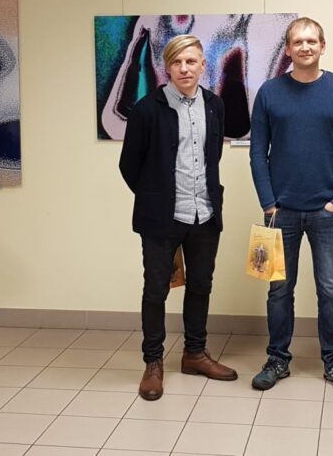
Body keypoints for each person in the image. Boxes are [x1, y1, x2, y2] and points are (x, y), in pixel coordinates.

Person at [119, 34, 238, 401]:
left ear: (203, 65)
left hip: (205, 214)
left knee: (201, 284)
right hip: (162, 218)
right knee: (156, 289)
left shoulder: (215, 105)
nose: (185, 68)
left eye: (191, 62)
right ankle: (153, 362)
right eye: (177, 62)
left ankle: (194, 354)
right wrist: (155, 197)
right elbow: (129, 165)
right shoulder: (147, 109)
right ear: (167, 67)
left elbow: (212, 157)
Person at [249, 17, 333, 395]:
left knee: (330, 289)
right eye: (297, 42)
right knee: (279, 290)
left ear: (322, 46)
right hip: (280, 212)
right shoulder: (269, 92)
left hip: (326, 213)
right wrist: (268, 204)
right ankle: (277, 359)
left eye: (312, 41)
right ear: (288, 49)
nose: (305, 47)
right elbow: (257, 153)